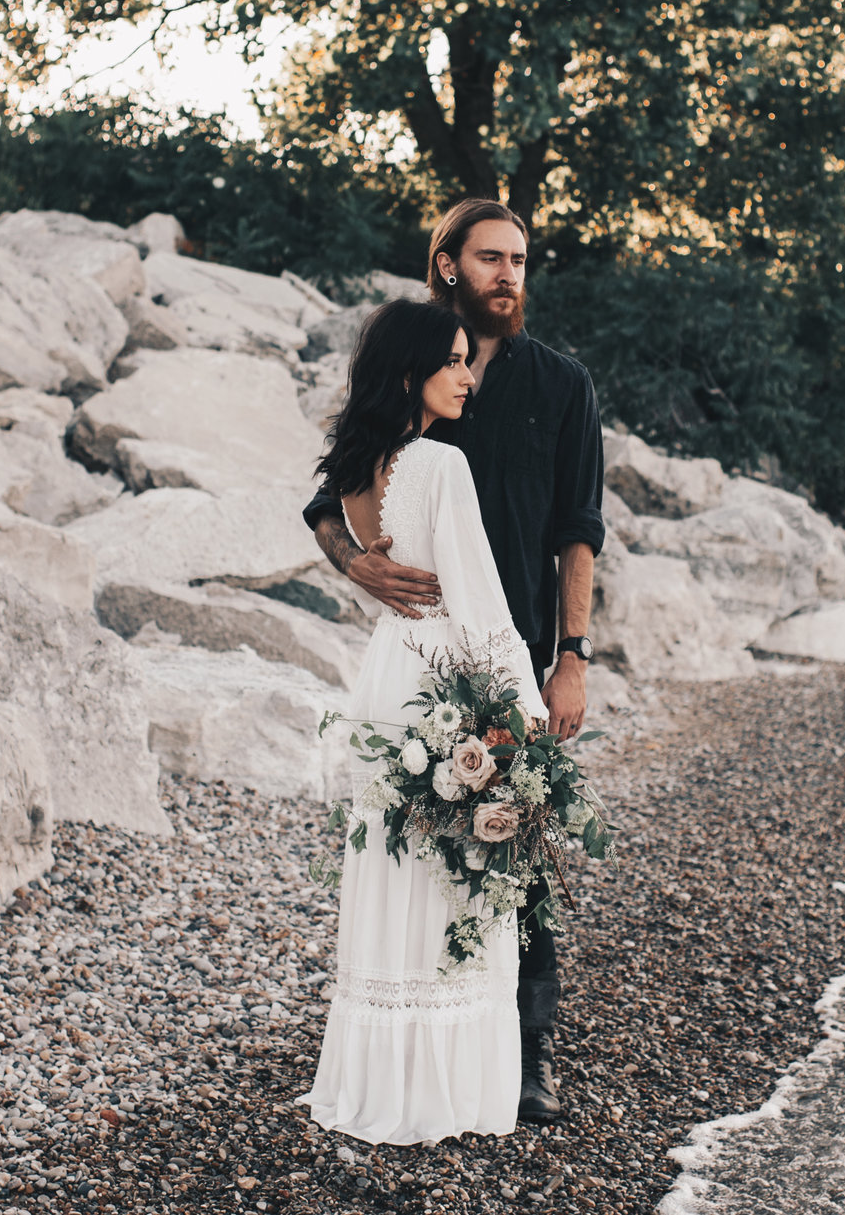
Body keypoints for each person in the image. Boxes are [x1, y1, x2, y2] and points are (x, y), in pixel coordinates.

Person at [302, 198, 606, 1124]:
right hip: (442, 656)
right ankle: (428, 1046)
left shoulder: (563, 385)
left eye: (520, 258)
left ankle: (528, 1050)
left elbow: (579, 530)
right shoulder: (421, 375)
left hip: (517, 645)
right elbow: (328, 502)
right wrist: (360, 566)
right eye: (491, 258)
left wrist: (574, 657)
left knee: (523, 853)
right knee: (433, 854)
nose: (510, 273)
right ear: (448, 265)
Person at [299, 300, 547, 1143]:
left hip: (385, 673)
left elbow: (329, 524)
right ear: (410, 372)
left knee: (393, 867)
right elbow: (480, 607)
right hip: (442, 678)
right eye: (450, 362)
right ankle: (443, 1095)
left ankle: (379, 1080)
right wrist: (527, 712)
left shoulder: (357, 466)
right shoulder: (440, 464)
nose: (467, 376)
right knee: (452, 876)